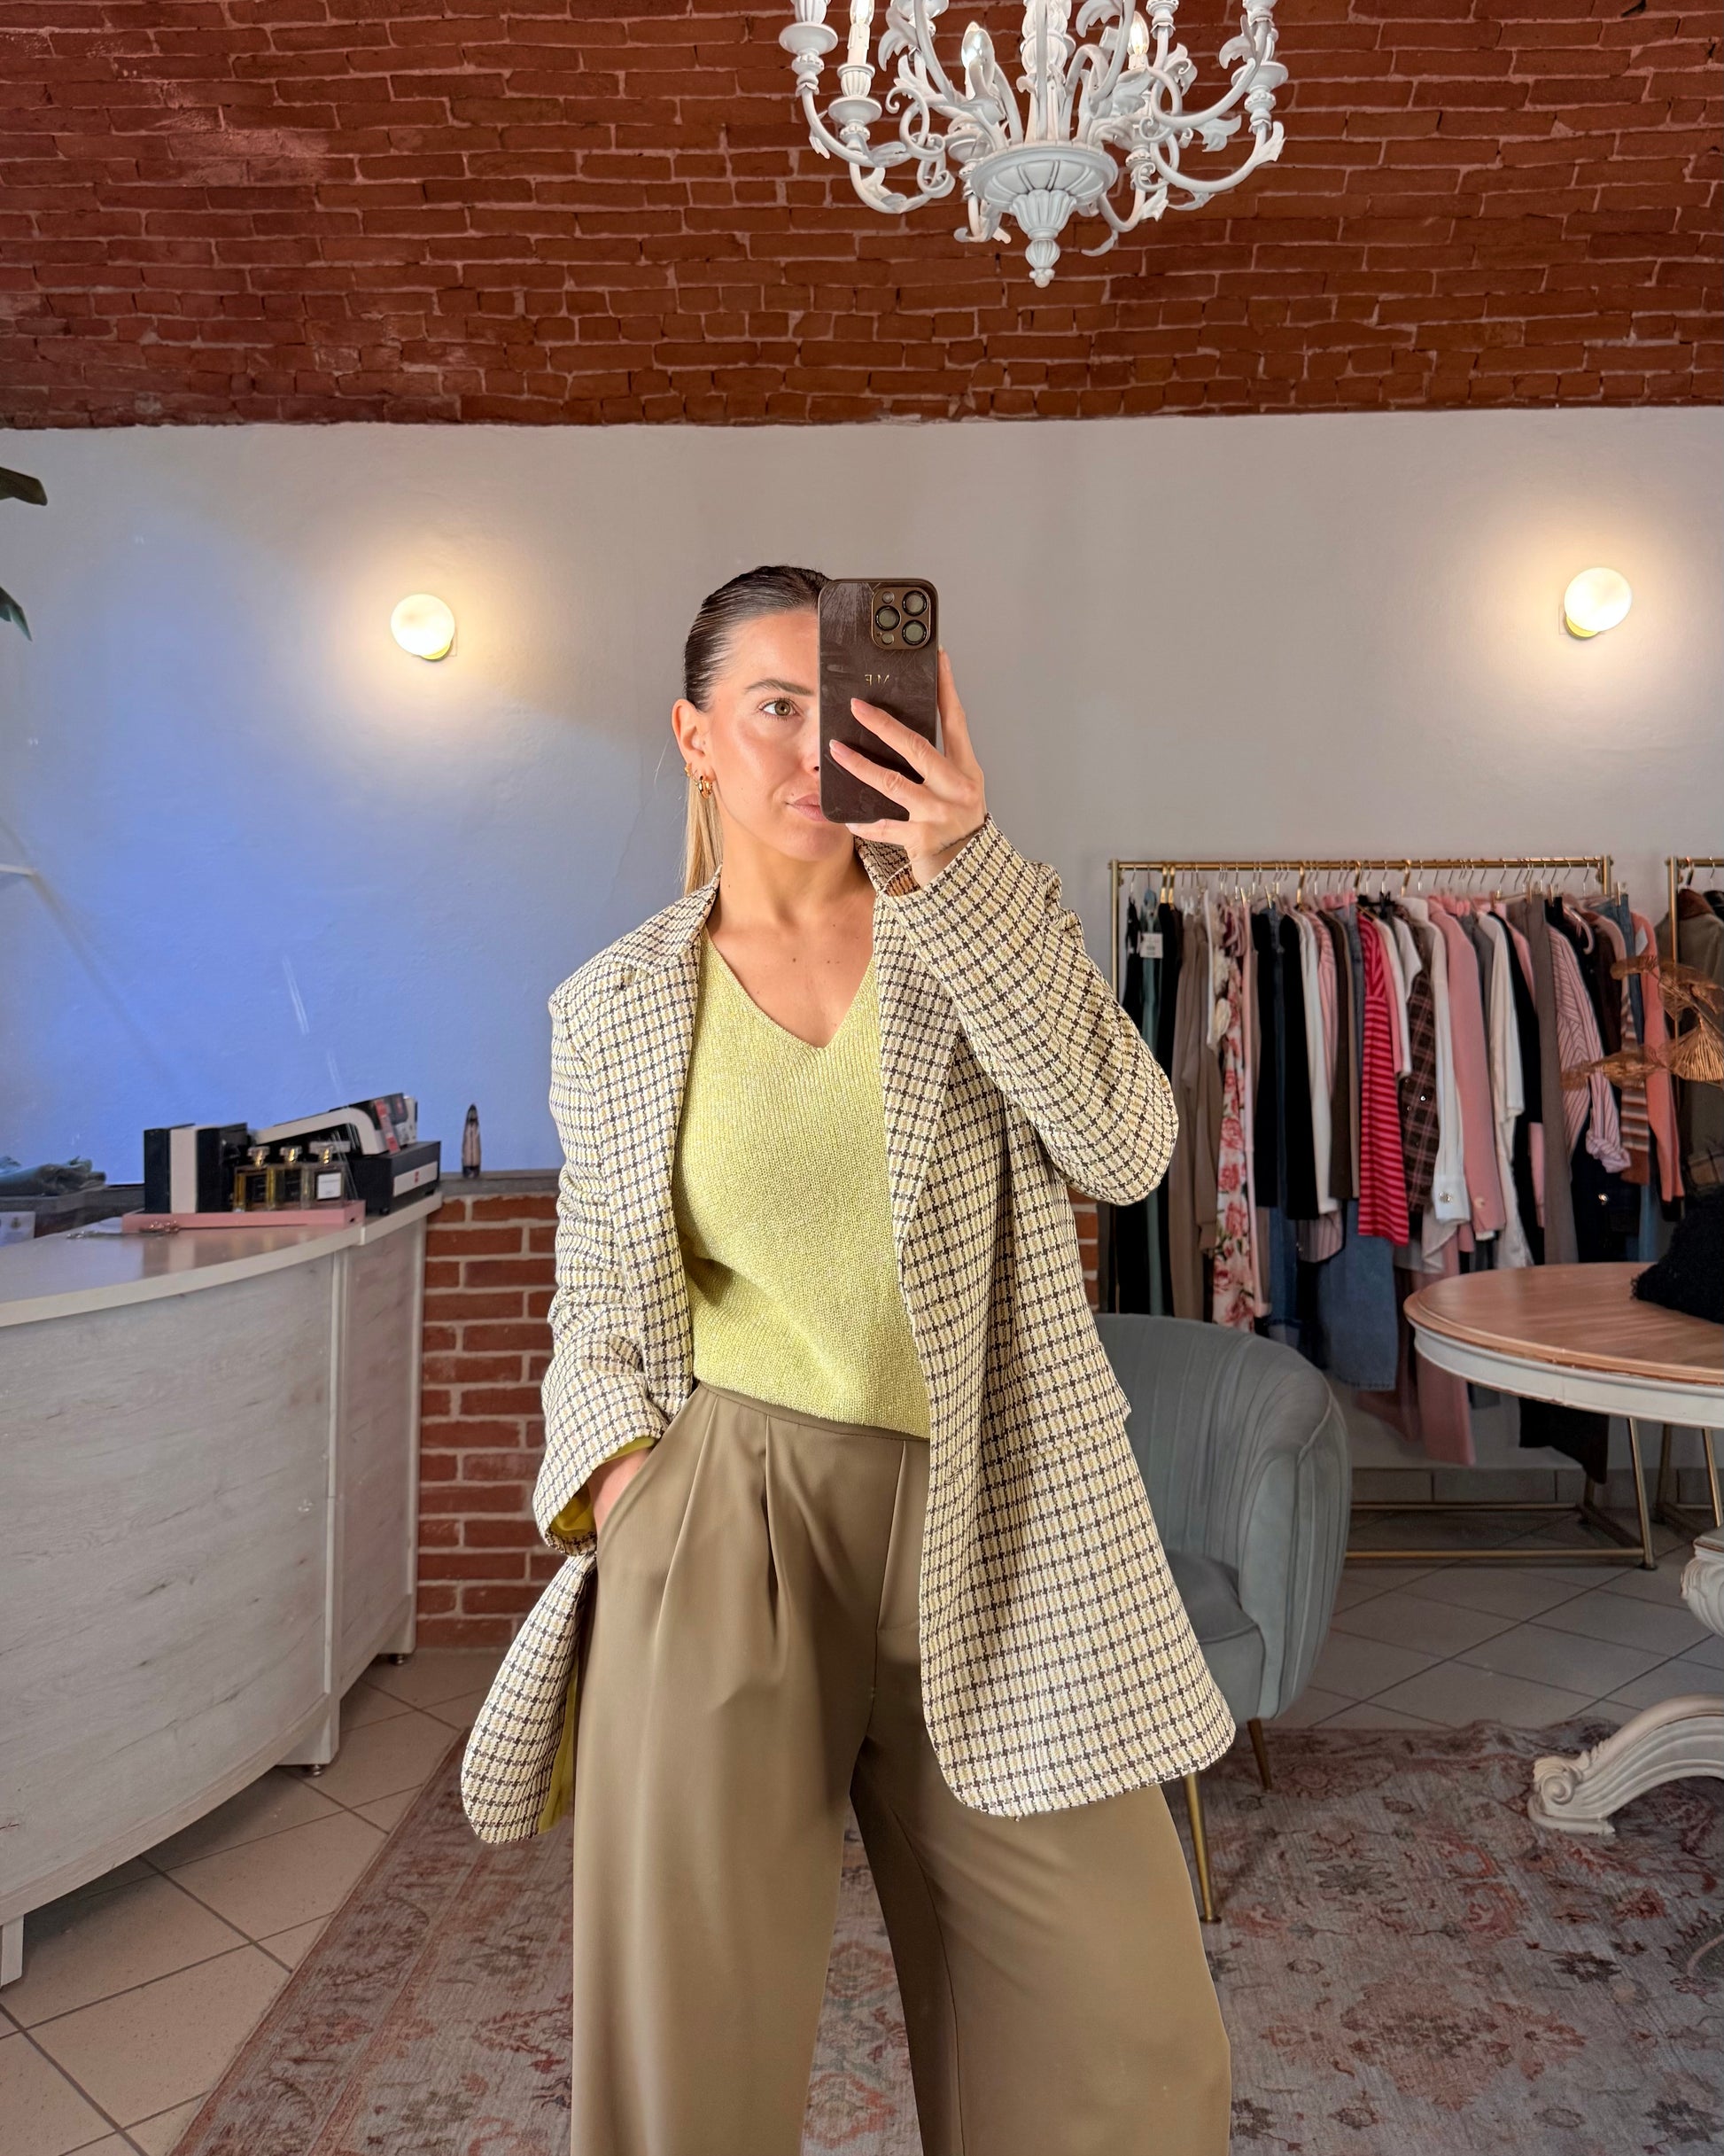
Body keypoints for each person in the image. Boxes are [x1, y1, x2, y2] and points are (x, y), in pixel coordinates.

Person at [460, 564, 1234, 2156]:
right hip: (724, 1516)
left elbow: (1126, 1148)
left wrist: (961, 864)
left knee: (1124, 2036)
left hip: (1003, 1509)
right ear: (693, 736)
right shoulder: (612, 1005)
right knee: (687, 2050)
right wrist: (633, 1486)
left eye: (846, 704)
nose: (815, 744)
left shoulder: (979, 927)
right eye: (772, 706)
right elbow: (596, 1292)